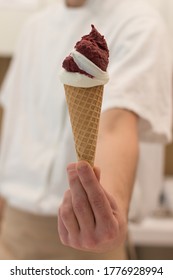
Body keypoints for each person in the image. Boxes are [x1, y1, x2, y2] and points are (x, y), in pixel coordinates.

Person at [0, 0, 172, 259]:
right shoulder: (33, 27)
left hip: (91, 238)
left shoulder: (139, 22)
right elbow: (15, 125)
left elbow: (115, 125)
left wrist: (108, 214)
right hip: (14, 229)